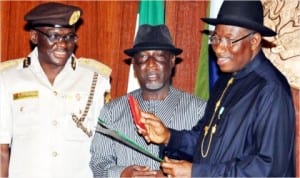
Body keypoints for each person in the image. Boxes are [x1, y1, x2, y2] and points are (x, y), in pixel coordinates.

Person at [139, 1, 295, 177]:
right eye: (216, 38)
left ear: (254, 41)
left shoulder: (271, 90)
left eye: (229, 39)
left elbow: (268, 169)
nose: (219, 48)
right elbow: (206, 143)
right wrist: (169, 137)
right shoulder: (226, 80)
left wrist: (196, 173)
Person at [0, 2, 111, 178]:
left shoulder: (95, 80)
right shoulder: (8, 79)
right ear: (35, 37)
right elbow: (2, 151)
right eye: (54, 36)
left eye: (69, 37)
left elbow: (104, 148)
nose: (63, 45)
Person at [89, 24, 207, 177]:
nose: (151, 64)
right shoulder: (112, 111)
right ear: (134, 64)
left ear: (172, 61)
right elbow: (98, 163)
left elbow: (211, 164)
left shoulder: (200, 110)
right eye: (143, 57)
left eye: (159, 56)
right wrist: (122, 174)